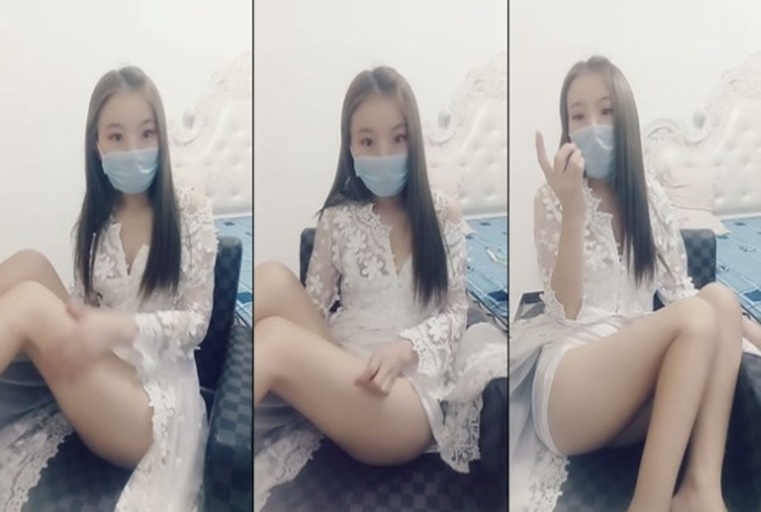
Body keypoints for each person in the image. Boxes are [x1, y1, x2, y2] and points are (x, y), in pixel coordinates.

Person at [253, 66, 506, 509]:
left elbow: (455, 310)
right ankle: (205, 401)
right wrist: (320, 368)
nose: (384, 153)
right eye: (368, 141)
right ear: (350, 145)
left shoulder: (441, 212)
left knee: (271, 339)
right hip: (345, 366)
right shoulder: (336, 219)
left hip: (404, 394)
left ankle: (216, 449)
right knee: (271, 277)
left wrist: (406, 348)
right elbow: (313, 313)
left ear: (414, 141)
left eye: (398, 138)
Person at [509, 56, 751, 512]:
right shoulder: (552, 199)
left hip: (631, 391)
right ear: (566, 128)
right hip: (573, 382)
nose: (593, 126)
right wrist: (573, 209)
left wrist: (750, 330)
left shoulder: (650, 195)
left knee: (719, 299)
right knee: (697, 315)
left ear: (626, 117)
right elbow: (564, 313)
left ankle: (700, 487)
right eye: (578, 116)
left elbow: (682, 293)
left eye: (606, 111)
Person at [0, 66, 217, 512]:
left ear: (162, 138)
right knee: (29, 264)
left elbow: (197, 323)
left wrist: (118, 328)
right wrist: (83, 324)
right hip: (107, 376)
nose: (133, 149)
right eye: (116, 137)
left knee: (28, 305)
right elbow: (85, 304)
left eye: (146, 133)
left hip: (155, 399)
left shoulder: (189, 210)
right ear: (96, 144)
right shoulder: (96, 219)